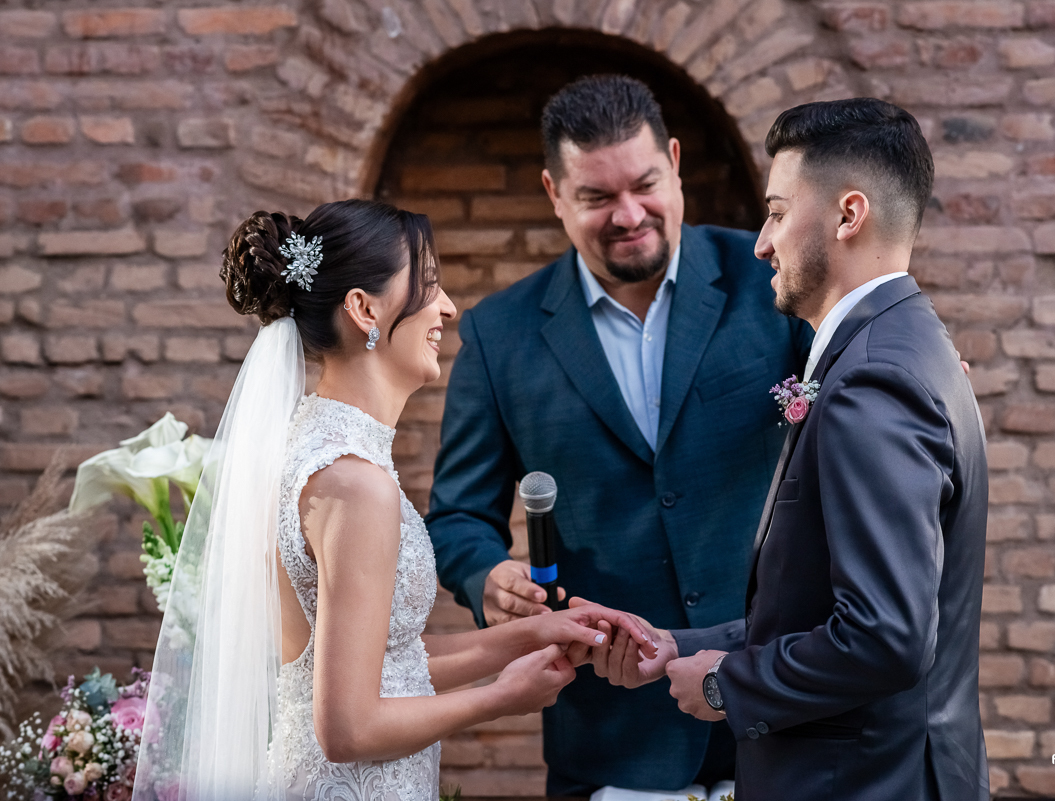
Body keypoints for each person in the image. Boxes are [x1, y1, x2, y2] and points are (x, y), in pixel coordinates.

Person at [131, 199, 654, 801]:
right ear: (364, 309)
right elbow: (348, 729)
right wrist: (501, 697)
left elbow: (389, 665)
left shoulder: (321, 450)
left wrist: (540, 633)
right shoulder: (353, 482)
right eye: (427, 284)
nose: (447, 307)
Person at [588, 99, 991, 800]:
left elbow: (886, 636)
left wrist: (727, 684)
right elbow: (818, 608)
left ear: (848, 214)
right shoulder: (907, 345)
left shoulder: (874, 378)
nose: (761, 244)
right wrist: (681, 646)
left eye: (777, 212)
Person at [426, 76, 812, 794]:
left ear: (674, 162)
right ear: (554, 193)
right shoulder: (498, 335)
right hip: (611, 737)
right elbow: (456, 517)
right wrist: (488, 578)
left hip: (779, 709)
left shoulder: (773, 279)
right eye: (597, 197)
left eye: (645, 185)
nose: (629, 215)